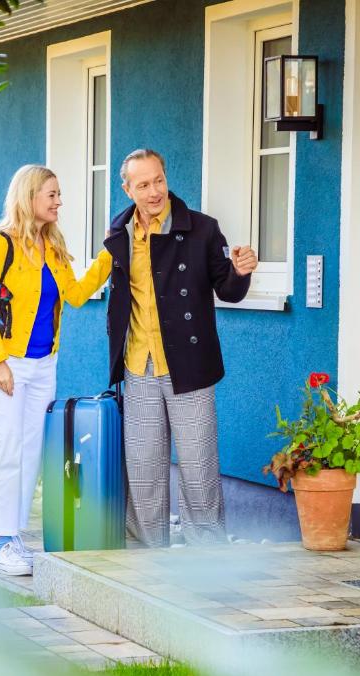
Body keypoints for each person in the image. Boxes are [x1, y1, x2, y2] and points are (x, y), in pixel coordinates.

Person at [101, 149, 258, 547]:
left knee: (198, 469)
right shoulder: (118, 235)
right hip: (138, 365)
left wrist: (240, 272)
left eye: (158, 180)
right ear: (128, 189)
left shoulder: (202, 229)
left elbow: (227, 287)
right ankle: (145, 555)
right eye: (143, 185)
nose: (154, 191)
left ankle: (206, 560)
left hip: (188, 365)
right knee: (143, 469)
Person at [0, 164, 110, 576]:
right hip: (6, 365)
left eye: (59, 194)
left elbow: (77, 295)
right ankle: (5, 542)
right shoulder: (1, 244)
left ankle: (8, 533)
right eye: (52, 194)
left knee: (31, 453)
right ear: (30, 197)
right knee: (9, 451)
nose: (59, 201)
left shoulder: (52, 245)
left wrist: (108, 257)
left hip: (43, 365)